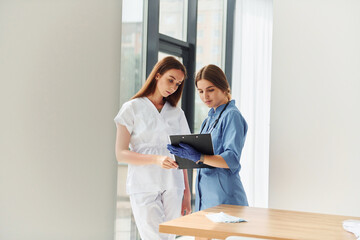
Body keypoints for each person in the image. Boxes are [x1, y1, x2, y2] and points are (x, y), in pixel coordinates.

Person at [114, 56, 191, 240]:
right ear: (157, 75)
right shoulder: (131, 108)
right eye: (170, 80)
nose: (173, 87)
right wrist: (156, 160)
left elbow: (185, 155)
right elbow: (121, 153)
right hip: (143, 184)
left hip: (174, 185)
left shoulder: (177, 113)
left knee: (169, 237)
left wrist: (187, 193)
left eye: (178, 84)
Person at [168, 64, 248, 211]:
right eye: (201, 91)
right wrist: (184, 154)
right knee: (199, 234)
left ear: (224, 88)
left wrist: (199, 155)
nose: (205, 96)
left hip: (225, 199)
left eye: (210, 90)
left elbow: (231, 159)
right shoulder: (209, 119)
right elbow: (204, 157)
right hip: (204, 197)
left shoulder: (232, 115)